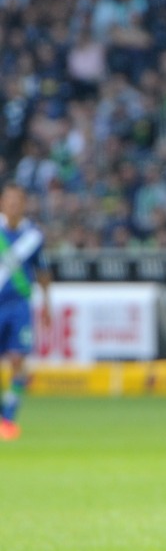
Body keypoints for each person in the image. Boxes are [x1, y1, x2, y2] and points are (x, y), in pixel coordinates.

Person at [0, 183, 52, 440]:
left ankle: (8, 416)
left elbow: (43, 273)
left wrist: (47, 304)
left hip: (20, 306)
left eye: (18, 201)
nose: (13, 205)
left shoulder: (33, 236)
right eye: (9, 200)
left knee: (18, 361)